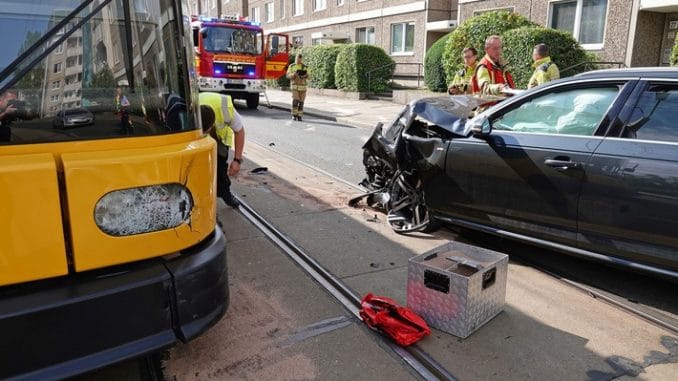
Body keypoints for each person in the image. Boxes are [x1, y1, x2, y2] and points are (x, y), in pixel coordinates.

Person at [199, 92, 245, 208]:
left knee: (220, 165)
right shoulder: (190, 111)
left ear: (212, 124)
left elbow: (239, 131)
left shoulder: (226, 109)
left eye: (207, 132)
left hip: (220, 138)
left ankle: (224, 192)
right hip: (195, 139)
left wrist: (237, 160)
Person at [286, 53, 310, 121]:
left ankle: (300, 116)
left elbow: (310, 77)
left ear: (301, 59)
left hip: (303, 88)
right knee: (295, 101)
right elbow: (287, 75)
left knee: (301, 102)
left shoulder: (305, 67)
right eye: (297, 59)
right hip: (295, 87)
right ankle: (294, 115)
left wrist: (305, 75)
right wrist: (293, 74)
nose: (298, 60)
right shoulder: (292, 66)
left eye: (299, 59)